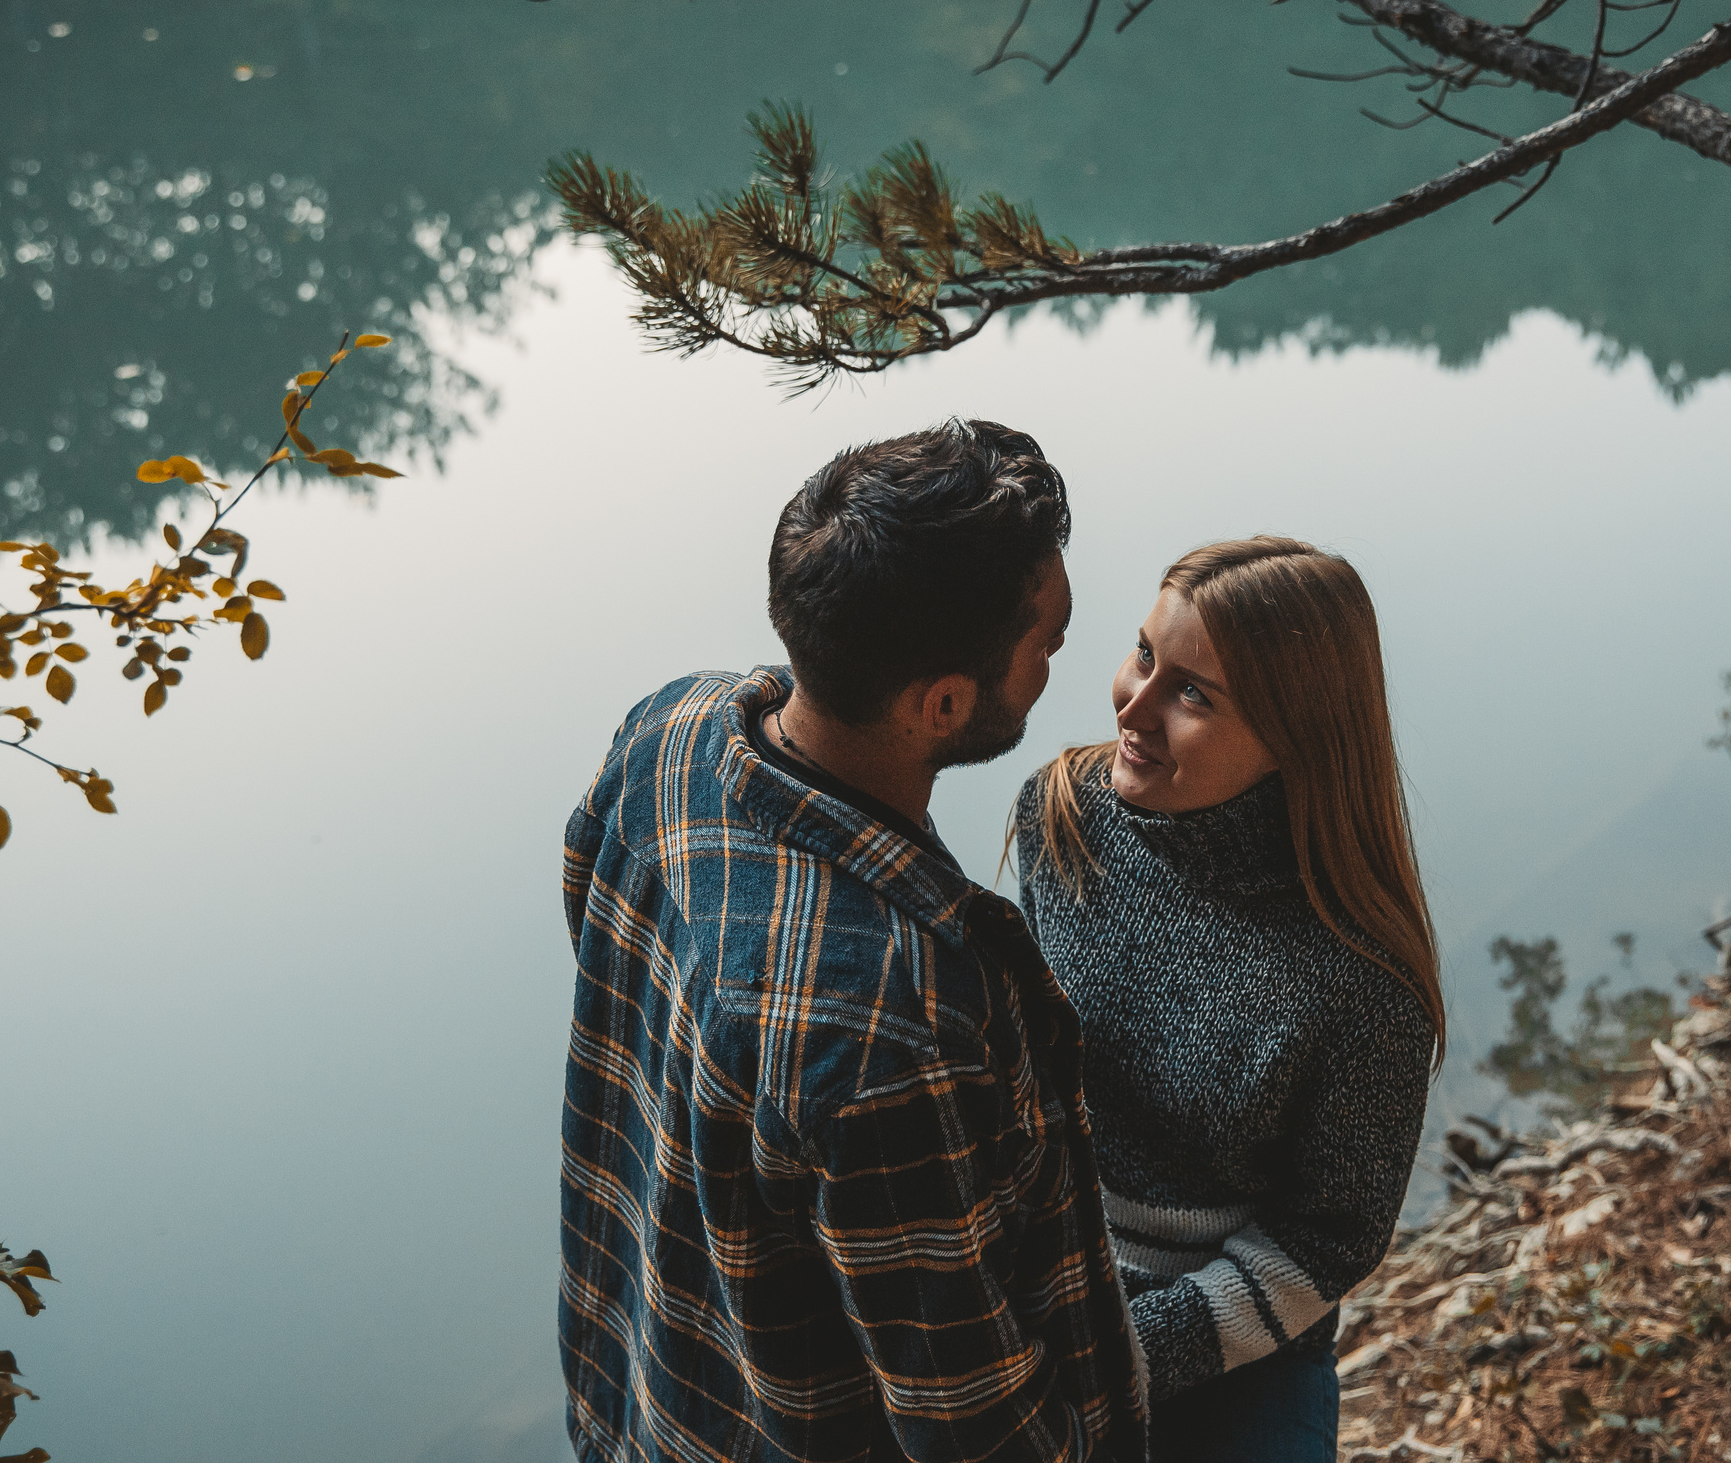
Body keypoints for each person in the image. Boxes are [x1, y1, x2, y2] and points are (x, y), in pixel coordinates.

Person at [557, 419, 1148, 1463]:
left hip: (651, 1403)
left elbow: (605, 951)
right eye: (1046, 643)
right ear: (946, 703)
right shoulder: (892, 1024)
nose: (1063, 658)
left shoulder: (668, 732)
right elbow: (973, 1426)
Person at [1011, 536, 1444, 1463]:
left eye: (1193, 694)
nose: (1135, 704)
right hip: (1038, 1296)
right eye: (1142, 654)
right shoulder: (1062, 816)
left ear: (1296, 736)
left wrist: (1125, 1352)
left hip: (1238, 1343)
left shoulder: (1363, 980)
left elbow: (1327, 1240)